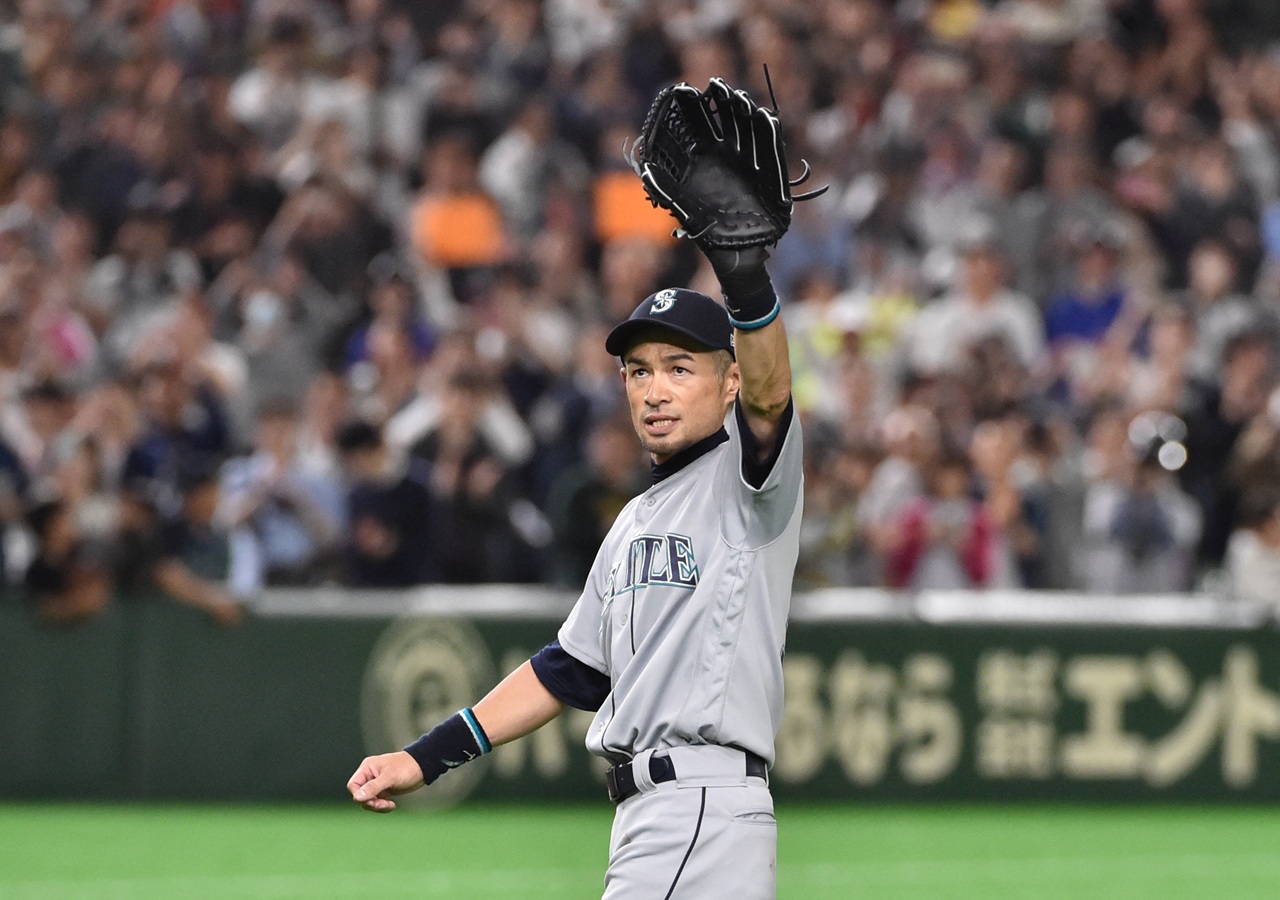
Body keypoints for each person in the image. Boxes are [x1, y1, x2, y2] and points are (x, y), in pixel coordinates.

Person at [348, 232, 802, 897]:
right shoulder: (631, 524)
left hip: (701, 808)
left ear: (728, 380)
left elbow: (770, 401)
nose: (655, 389)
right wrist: (426, 756)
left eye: (680, 368)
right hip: (657, 816)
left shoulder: (746, 484)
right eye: (639, 370)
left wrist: (745, 278)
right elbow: (568, 670)